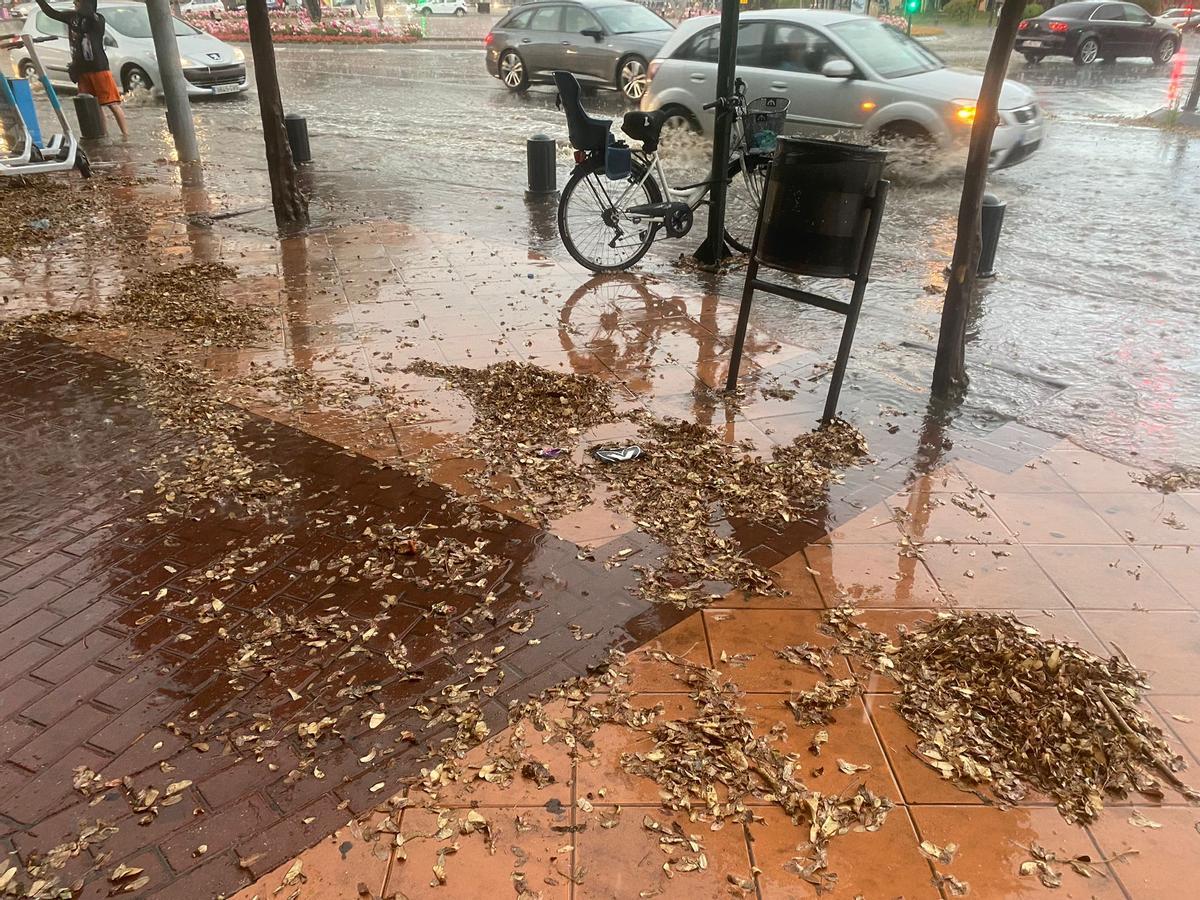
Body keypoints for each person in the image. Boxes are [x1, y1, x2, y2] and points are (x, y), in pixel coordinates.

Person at [33, 0, 128, 137]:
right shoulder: (72, 17)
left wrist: (85, 6)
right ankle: (103, 134)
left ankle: (125, 135)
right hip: (81, 69)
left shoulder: (97, 19)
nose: (74, 3)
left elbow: (89, 14)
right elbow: (52, 13)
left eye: (78, 1)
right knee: (93, 105)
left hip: (99, 68)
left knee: (112, 103)